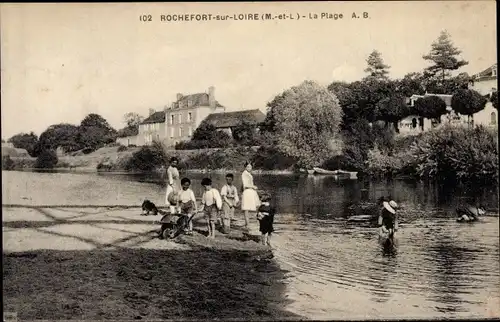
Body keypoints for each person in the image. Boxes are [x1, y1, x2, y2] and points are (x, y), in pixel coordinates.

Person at [241, 161, 260, 230]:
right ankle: (247, 224)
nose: (250, 168)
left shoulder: (248, 174)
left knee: (257, 206)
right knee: (246, 208)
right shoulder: (244, 174)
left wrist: (253, 187)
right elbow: (245, 185)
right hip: (247, 191)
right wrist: (253, 187)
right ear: (245, 167)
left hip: (251, 191)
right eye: (248, 167)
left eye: (251, 166)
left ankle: (257, 222)